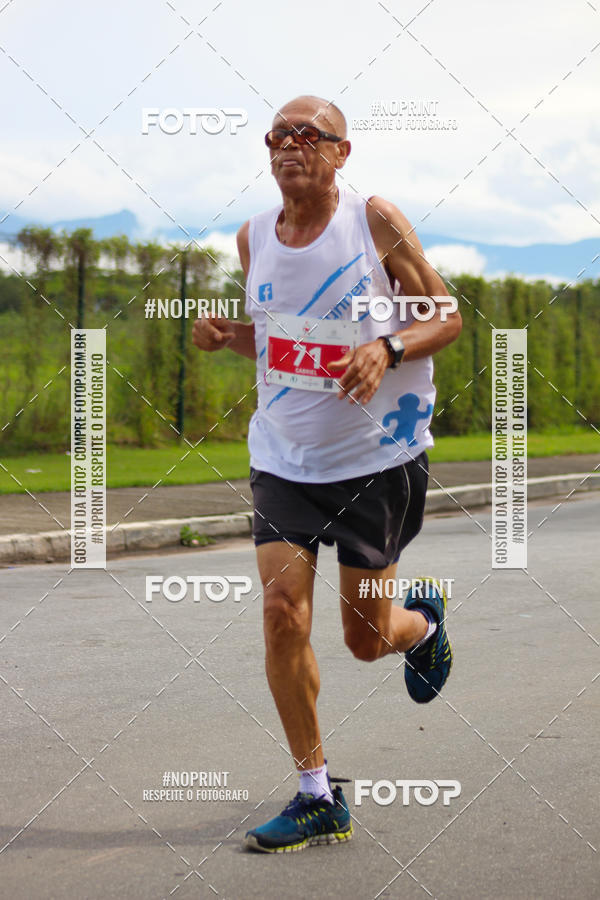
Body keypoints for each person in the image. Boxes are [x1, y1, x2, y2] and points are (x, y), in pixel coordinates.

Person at [192, 95, 462, 853]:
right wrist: (230, 337)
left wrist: (390, 350)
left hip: (377, 463)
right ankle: (318, 795)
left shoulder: (373, 222)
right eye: (280, 134)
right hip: (284, 461)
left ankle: (422, 625)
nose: (291, 145)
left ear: (342, 153)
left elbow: (446, 316)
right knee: (283, 611)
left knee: (366, 639)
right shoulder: (253, 238)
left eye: (311, 136)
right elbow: (285, 345)